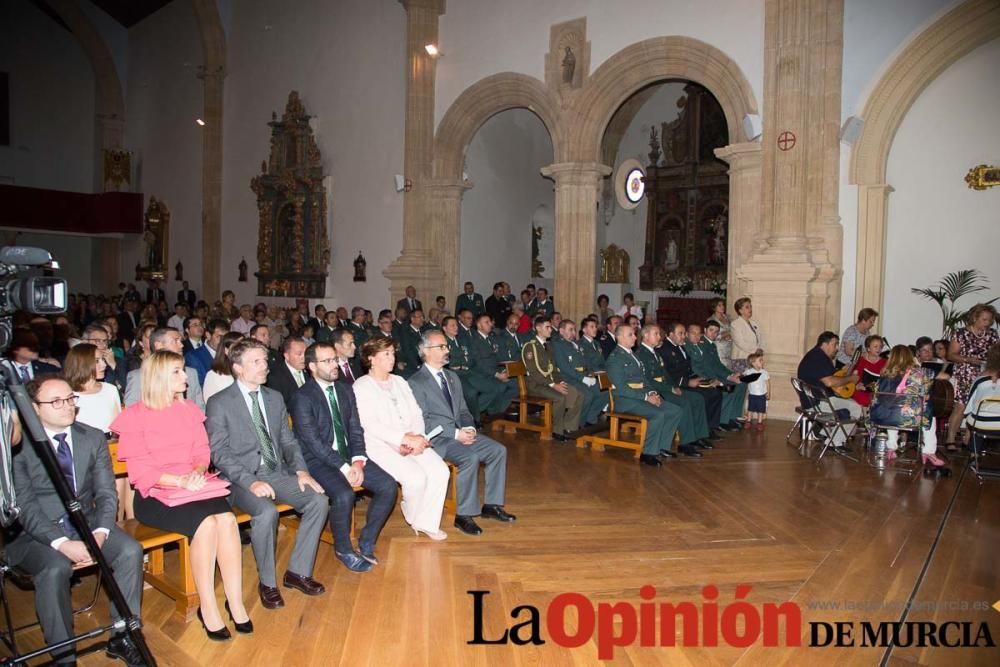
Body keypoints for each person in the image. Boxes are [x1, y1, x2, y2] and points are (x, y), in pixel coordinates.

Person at [113, 351, 252, 640]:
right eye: (177, 371)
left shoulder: (187, 409)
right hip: (155, 494)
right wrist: (179, 480)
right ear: (159, 377)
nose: (185, 377)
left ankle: (235, 600)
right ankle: (208, 606)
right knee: (207, 524)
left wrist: (197, 472)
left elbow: (202, 452)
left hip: (194, 485)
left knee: (226, 519)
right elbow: (141, 471)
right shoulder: (136, 416)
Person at [10, 376, 144, 665]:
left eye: (70, 399)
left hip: (85, 520)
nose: (67, 406)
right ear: (34, 408)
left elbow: (107, 493)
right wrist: (62, 544)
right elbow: (25, 506)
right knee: (56, 567)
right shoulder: (18, 447)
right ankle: (64, 655)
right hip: (35, 532)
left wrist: (100, 532)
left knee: (130, 550)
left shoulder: (92, 437)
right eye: (56, 401)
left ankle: (122, 635)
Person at [206, 339, 329, 608]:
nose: (265, 367)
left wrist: (301, 471)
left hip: (276, 471)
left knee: (318, 500)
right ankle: (268, 582)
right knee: (266, 512)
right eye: (256, 362)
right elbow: (219, 454)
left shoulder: (273, 398)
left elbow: (288, 440)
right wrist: (251, 482)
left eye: (265, 360)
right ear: (238, 368)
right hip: (240, 478)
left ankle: (298, 572)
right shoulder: (220, 402)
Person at [289, 342, 398, 571]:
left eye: (335, 359)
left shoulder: (345, 389)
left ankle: (367, 540)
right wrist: (345, 468)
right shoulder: (302, 397)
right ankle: (344, 549)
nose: (334, 365)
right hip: (317, 461)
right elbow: (314, 443)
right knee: (344, 494)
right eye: (327, 361)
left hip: (349, 457)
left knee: (388, 486)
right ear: (311, 366)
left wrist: (357, 461)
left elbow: (355, 428)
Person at [408, 330, 515, 536]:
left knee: (498, 450)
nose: (447, 350)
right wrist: (456, 434)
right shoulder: (416, 382)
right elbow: (423, 422)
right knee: (470, 457)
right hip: (437, 440)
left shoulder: (452, 377)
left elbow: (464, 411)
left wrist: (470, 427)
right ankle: (463, 515)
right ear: (426, 351)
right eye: (442, 347)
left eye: (447, 346)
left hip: (459, 434)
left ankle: (491, 505)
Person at [353, 336, 450, 540]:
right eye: (386, 354)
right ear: (371, 358)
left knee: (440, 471)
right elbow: (370, 424)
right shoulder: (361, 386)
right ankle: (414, 516)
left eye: (393, 353)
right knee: (415, 478)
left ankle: (427, 523)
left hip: (412, 440)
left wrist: (417, 437)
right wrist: (401, 440)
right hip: (380, 446)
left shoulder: (400, 381)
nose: (392, 358)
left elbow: (416, 412)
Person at [605, 325, 689, 465]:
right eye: (630, 335)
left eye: (634, 334)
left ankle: (662, 447)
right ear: (619, 337)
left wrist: (652, 393)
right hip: (625, 401)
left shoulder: (632, 355)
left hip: (640, 397)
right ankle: (648, 453)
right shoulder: (615, 359)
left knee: (675, 411)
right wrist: (646, 397)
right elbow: (621, 389)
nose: (635, 337)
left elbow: (644, 380)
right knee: (657, 414)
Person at [635, 324, 713, 454]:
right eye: (656, 334)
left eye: (659, 334)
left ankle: (698, 436)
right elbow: (648, 380)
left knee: (697, 398)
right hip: (656, 390)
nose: (660, 337)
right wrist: (670, 389)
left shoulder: (653, 352)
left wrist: (675, 386)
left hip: (665, 387)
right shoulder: (641, 354)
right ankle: (686, 442)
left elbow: (665, 374)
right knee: (684, 402)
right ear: (646, 336)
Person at [871, 345, 944, 466]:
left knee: (892, 410)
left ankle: (891, 447)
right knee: (930, 413)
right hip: (908, 419)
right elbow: (930, 391)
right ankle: (929, 452)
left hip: (881, 418)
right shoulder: (920, 373)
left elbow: (880, 398)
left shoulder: (884, 374)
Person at [945, 304, 999, 451]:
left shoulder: (992, 334)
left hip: (984, 375)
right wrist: (968, 359)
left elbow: (996, 355)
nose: (986, 323)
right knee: (961, 406)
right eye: (984, 320)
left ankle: (968, 440)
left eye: (989, 320)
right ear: (975, 317)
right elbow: (950, 355)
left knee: (977, 407)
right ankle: (950, 439)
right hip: (965, 373)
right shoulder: (960, 333)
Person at [521, 316, 583, 440]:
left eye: (550, 327)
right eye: (547, 327)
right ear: (538, 328)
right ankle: (557, 431)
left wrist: (560, 381)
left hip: (549, 383)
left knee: (578, 394)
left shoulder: (548, 347)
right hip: (536, 385)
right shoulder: (530, 347)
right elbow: (535, 373)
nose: (550, 330)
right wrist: (553, 385)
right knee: (559, 398)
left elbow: (553, 369)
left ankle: (569, 426)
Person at [796, 331, 861, 450]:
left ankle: (826, 435)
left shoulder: (816, 355)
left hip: (816, 400)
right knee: (856, 408)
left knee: (851, 404)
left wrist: (844, 371)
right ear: (827, 343)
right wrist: (851, 378)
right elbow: (830, 382)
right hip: (818, 403)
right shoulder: (818, 358)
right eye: (835, 344)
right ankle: (834, 442)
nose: (837, 348)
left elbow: (833, 377)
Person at [659, 321, 726, 433]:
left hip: (688, 380)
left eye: (684, 333)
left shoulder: (679, 346)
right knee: (702, 397)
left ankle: (710, 428)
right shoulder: (665, 349)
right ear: (671, 334)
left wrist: (706, 380)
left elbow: (689, 368)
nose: (684, 336)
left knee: (714, 392)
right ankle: (701, 431)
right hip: (678, 384)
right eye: (680, 333)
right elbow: (667, 374)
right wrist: (687, 382)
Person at [125, 327, 205, 412]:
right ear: (158, 345)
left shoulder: (190, 373)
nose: (182, 345)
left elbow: (200, 408)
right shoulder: (140, 377)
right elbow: (131, 412)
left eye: (180, 341)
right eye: (176, 341)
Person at [685, 323, 745, 429]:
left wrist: (731, 374)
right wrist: (717, 379)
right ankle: (722, 420)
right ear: (705, 330)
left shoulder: (711, 345)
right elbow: (702, 367)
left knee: (741, 383)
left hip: (714, 375)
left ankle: (732, 417)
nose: (714, 333)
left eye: (716, 331)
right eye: (711, 330)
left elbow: (718, 364)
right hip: (706, 377)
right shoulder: (700, 344)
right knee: (728, 389)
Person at [551, 319, 604, 427]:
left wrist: (594, 373)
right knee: (587, 395)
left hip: (582, 376)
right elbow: (565, 368)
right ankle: (575, 424)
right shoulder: (558, 345)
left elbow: (586, 362)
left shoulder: (575, 344)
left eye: (574, 330)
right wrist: (583, 378)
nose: (574, 333)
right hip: (568, 378)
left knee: (603, 392)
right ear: (561, 331)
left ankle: (589, 419)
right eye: (570, 330)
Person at [466, 312, 519, 417]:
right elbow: (479, 363)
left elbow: (497, 358)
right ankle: (471, 413)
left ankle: (494, 411)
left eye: (490, 322)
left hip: (493, 373)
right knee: (498, 387)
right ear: (479, 325)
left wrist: (504, 370)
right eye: (486, 322)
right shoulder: (473, 340)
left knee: (515, 386)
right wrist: (497, 374)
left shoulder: (491, 338)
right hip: (478, 375)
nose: (490, 324)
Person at [964, 344, 1000, 438]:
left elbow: (969, 406)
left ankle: (974, 450)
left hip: (981, 424)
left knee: (974, 415)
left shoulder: (981, 380)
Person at [265, 336, 309, 404]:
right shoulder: (275, 377)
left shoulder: (310, 371)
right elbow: (278, 406)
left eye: (305, 353)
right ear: (287, 356)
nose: (304, 357)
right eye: (299, 354)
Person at [203, 332, 244, 401]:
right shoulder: (214, 375)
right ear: (226, 350)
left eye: (245, 346)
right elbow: (210, 403)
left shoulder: (248, 371)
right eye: (237, 347)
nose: (242, 350)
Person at [187, 318, 228, 386]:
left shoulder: (228, 352)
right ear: (208, 335)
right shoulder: (193, 356)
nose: (223, 341)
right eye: (219, 337)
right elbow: (199, 386)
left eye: (225, 337)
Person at [729, 297, 764, 374]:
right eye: (747, 307)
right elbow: (740, 343)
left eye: (750, 306)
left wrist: (760, 348)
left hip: (755, 358)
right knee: (744, 384)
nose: (750, 309)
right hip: (741, 359)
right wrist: (755, 350)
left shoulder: (754, 323)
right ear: (740, 310)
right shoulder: (735, 324)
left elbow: (760, 339)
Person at [851, 335, 887, 408]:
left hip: (877, 392)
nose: (878, 349)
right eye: (875, 346)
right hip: (862, 390)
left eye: (880, 346)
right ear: (868, 348)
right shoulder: (861, 360)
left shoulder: (885, 362)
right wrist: (857, 386)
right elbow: (854, 377)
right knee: (858, 395)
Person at [743, 352, 770, 431]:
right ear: (753, 363)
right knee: (750, 409)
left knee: (761, 410)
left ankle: (759, 422)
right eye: (760, 360)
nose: (762, 362)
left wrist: (768, 393)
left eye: (762, 360)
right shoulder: (749, 372)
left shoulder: (764, 372)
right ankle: (748, 421)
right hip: (752, 394)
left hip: (761, 395)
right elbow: (744, 378)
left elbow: (768, 383)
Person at [706, 298, 733, 369]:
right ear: (714, 307)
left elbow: (733, 330)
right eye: (719, 305)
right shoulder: (711, 320)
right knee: (721, 368)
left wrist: (730, 334)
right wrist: (723, 335)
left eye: (723, 305)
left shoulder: (728, 317)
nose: (722, 307)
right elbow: (710, 336)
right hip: (719, 348)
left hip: (729, 347)